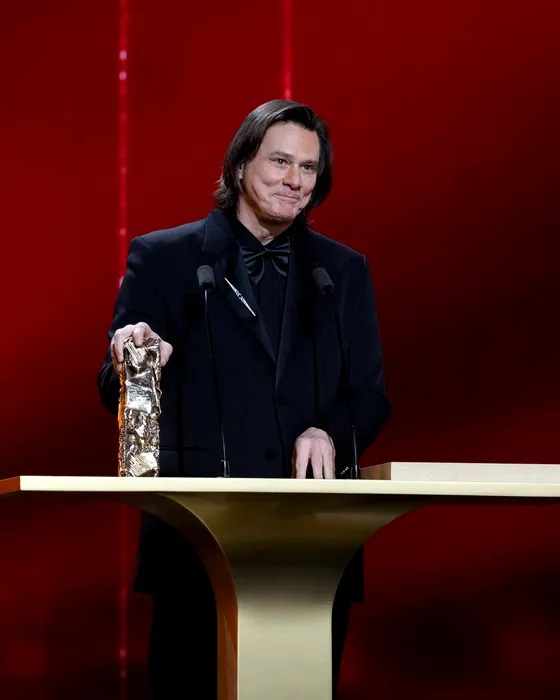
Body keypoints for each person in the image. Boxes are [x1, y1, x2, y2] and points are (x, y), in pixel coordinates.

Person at [98, 99, 390, 699]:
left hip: (312, 549)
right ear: (239, 166)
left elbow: (369, 394)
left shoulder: (341, 271)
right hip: (195, 545)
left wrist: (328, 431)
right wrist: (135, 362)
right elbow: (113, 389)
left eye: (308, 168)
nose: (295, 180)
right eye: (280, 161)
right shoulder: (165, 258)